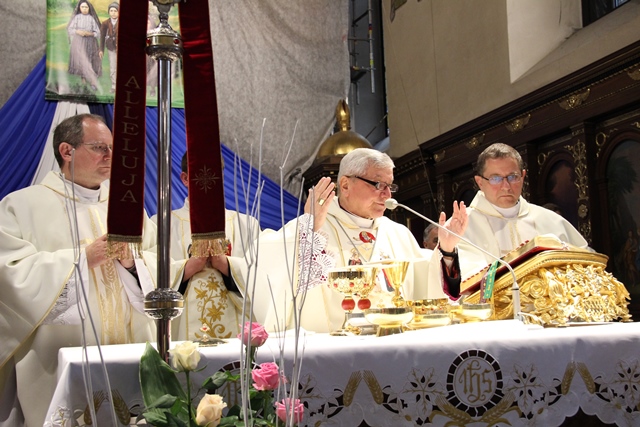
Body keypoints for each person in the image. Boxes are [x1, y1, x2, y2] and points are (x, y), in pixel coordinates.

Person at [0, 114, 159, 426]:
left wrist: (133, 265)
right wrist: (82, 259)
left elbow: (159, 265)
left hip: (131, 350)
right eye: (100, 147)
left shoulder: (129, 207)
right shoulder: (21, 206)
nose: (110, 156)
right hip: (59, 355)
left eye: (113, 148)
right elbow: (10, 275)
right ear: (66, 151)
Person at [228, 148, 467, 333]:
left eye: (389, 186)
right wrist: (308, 230)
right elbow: (265, 263)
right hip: (335, 350)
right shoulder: (314, 226)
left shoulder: (397, 233)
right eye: (378, 184)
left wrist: (446, 251)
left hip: (393, 343)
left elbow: (426, 284)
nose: (387, 194)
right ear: (345, 185)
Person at [438, 142, 589, 288]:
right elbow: (452, 287)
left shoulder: (550, 220)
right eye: (495, 178)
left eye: (512, 177)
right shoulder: (462, 226)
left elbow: (585, 265)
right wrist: (447, 251)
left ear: (523, 176)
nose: (506, 186)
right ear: (480, 182)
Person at [151, 153, 260, 340]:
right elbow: (149, 277)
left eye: (215, 175)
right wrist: (188, 267)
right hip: (182, 331)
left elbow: (263, 280)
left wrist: (226, 265)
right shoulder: (162, 225)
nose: (209, 183)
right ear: (185, 178)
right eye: (200, 175)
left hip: (236, 330)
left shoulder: (246, 225)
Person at [67, 0, 102, 93]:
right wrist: (77, 31)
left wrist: (90, 33)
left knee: (90, 60)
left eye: (86, 7)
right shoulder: (77, 18)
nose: (84, 9)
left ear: (89, 8)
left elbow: (98, 32)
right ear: (79, 8)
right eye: (82, 7)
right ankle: (83, 80)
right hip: (79, 42)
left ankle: (93, 82)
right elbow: (70, 29)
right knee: (81, 60)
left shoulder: (91, 18)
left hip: (91, 42)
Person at [99, 1, 119, 93]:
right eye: (111, 11)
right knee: (113, 66)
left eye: (115, 11)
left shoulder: (123, 22)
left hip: (122, 48)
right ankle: (114, 85)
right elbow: (102, 37)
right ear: (109, 12)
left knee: (122, 66)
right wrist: (101, 50)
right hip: (111, 47)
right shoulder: (105, 23)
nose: (113, 13)